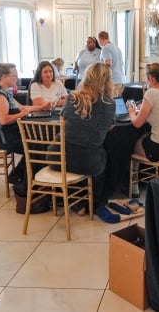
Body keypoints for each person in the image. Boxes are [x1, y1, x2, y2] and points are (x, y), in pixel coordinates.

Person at [50, 62, 116, 215]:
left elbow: (62, 122)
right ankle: (92, 202)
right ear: (107, 81)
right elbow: (109, 128)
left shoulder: (73, 97)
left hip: (57, 158)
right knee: (103, 155)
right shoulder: (109, 104)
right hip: (89, 163)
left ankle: (75, 201)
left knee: (74, 152)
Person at [0, 63, 52, 190]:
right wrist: (20, 115)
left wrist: (41, 107)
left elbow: (23, 107)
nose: (17, 78)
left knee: (37, 143)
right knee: (34, 146)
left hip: (9, 134)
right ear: (4, 77)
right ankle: (24, 182)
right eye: (14, 75)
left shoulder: (5, 92)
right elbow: (3, 120)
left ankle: (19, 176)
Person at [127, 63, 159, 196]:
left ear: (150, 78)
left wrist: (132, 111)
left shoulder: (151, 93)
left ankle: (134, 186)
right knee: (145, 136)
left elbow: (137, 123)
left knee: (131, 144)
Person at [98, 31, 125, 96]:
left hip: (112, 81)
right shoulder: (118, 48)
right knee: (118, 103)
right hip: (121, 80)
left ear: (100, 39)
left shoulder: (105, 48)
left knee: (111, 103)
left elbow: (108, 63)